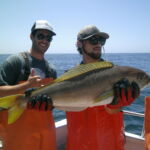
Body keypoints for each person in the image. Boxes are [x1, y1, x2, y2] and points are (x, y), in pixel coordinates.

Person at [66, 25, 140, 150]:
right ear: (79, 44)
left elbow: (113, 111)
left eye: (101, 41)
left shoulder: (117, 74)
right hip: (80, 144)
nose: (98, 44)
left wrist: (117, 103)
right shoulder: (68, 78)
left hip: (112, 143)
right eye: (93, 40)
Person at [0, 20, 57, 150]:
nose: (45, 40)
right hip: (19, 138)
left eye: (49, 38)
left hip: (47, 136)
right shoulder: (15, 61)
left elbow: (53, 103)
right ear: (31, 36)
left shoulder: (51, 69)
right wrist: (25, 86)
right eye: (41, 36)